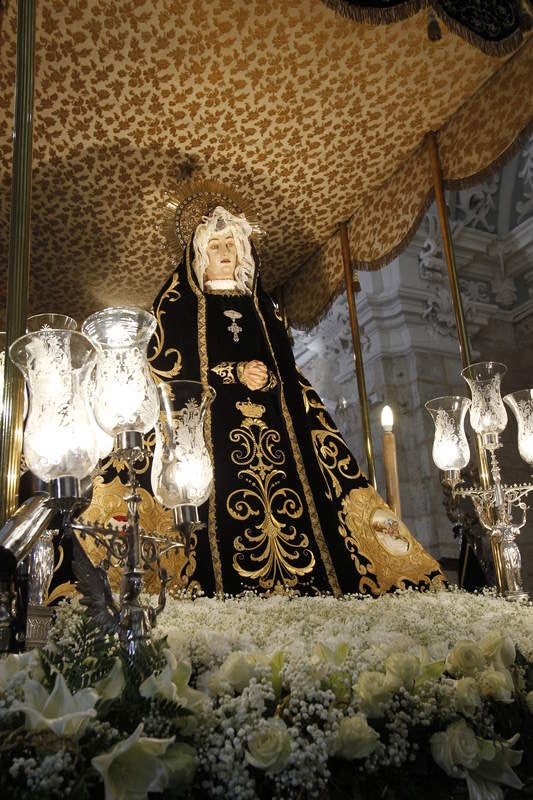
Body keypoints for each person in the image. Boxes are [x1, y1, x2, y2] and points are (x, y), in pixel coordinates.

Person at [148, 205, 445, 597]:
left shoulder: (262, 310)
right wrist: (233, 374)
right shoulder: (183, 311)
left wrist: (268, 377)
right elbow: (173, 377)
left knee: (302, 512)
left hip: (277, 441)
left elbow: (286, 373)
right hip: (212, 447)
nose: (224, 252)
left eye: (231, 244)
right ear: (200, 257)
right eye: (215, 244)